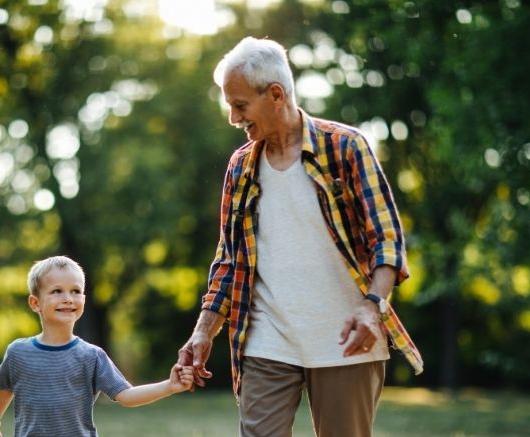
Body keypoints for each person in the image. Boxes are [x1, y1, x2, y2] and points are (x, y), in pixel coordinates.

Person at [177, 37, 424, 437]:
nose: (233, 118)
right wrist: (203, 331)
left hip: (347, 343)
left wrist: (372, 306)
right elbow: (229, 260)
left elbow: (387, 239)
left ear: (275, 94)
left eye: (240, 105)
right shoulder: (241, 167)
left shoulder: (346, 147)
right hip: (267, 343)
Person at [0, 255, 194, 437]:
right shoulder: (18, 353)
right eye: (57, 291)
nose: (68, 298)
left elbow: (126, 396)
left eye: (75, 291)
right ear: (35, 303)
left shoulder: (91, 356)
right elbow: (3, 389)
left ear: (84, 299)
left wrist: (169, 386)